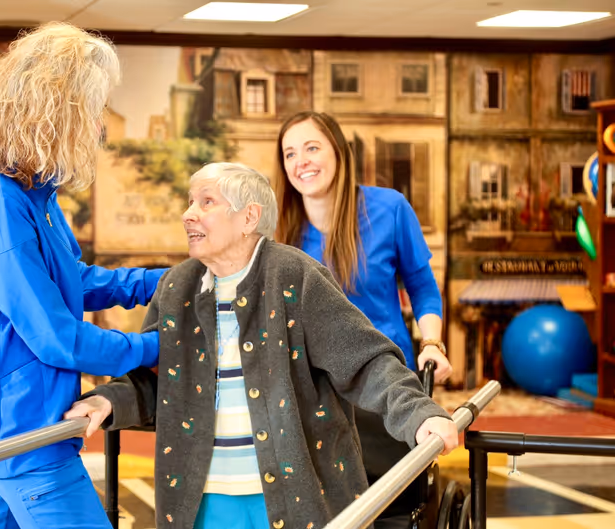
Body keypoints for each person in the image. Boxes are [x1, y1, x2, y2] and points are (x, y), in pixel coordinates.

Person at [65, 162, 458, 529]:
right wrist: (109, 400)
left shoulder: (296, 276)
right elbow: (156, 381)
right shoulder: (176, 288)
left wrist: (419, 413)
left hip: (299, 499)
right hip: (202, 502)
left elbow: (366, 360)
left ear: (248, 218)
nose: (188, 214)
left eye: (206, 202)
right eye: (190, 203)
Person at [0, 22, 163, 529]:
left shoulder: (33, 191)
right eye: (91, 109)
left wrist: (162, 281)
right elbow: (56, 337)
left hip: (0, 427)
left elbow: (72, 282)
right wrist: (160, 345)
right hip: (21, 434)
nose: (97, 125)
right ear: (54, 108)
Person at [275, 111, 453, 528]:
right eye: (290, 153)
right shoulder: (279, 227)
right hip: (308, 389)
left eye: (312, 147)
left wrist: (432, 343)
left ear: (339, 151)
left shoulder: (389, 208)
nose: (302, 161)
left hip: (381, 379)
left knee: (386, 506)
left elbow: (422, 286)